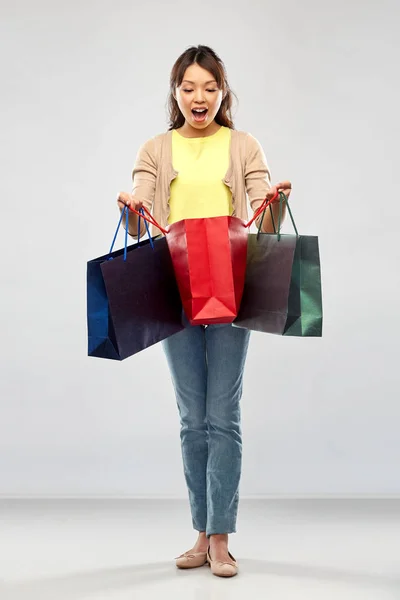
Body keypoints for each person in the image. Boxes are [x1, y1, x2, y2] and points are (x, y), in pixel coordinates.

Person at [117, 45, 292, 578]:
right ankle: (200, 530)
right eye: (190, 87)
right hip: (175, 291)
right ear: (176, 92)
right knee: (193, 418)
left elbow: (264, 224)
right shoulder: (155, 148)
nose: (200, 97)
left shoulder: (243, 146)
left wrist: (277, 200)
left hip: (232, 292)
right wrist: (127, 209)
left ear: (223, 92)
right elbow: (141, 224)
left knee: (224, 415)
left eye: (210, 88)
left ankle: (221, 537)